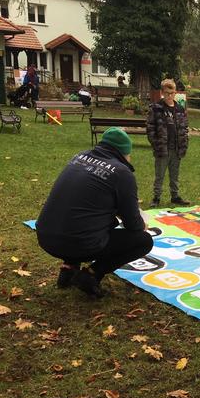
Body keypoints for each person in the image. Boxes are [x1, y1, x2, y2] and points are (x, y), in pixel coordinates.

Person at [36, 127, 153, 297]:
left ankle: (68, 269)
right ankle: (92, 274)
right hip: (80, 243)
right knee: (143, 240)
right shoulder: (122, 173)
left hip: (46, 236)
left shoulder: (79, 157)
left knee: (84, 219)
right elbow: (133, 224)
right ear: (125, 153)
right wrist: (142, 224)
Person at [146, 78, 190, 208]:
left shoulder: (180, 109)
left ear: (175, 93)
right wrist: (155, 143)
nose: (169, 96)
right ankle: (156, 197)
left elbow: (185, 127)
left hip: (177, 149)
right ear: (162, 92)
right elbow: (150, 128)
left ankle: (175, 196)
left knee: (174, 175)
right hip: (162, 148)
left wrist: (184, 142)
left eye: (172, 93)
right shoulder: (156, 108)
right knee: (159, 175)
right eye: (166, 93)